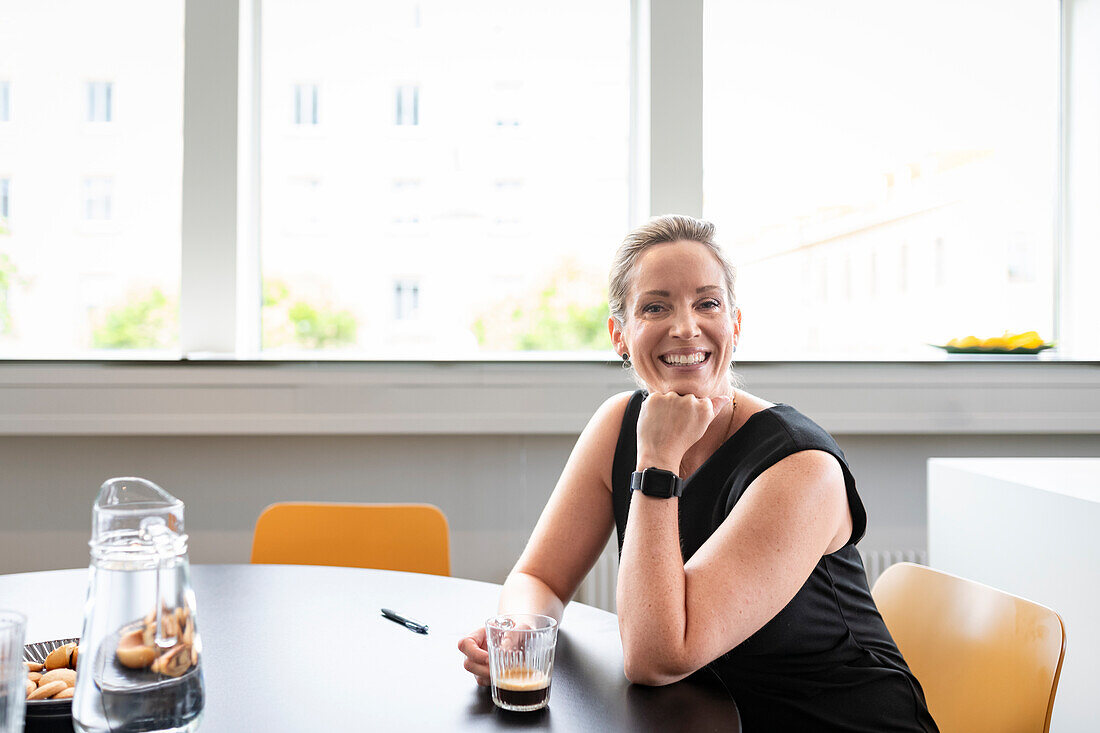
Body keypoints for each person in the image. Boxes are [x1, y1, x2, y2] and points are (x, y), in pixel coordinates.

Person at [458, 214, 938, 732]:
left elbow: (657, 658)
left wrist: (658, 461)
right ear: (620, 334)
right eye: (656, 306)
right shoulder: (618, 425)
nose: (685, 327)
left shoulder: (802, 468)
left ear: (734, 323)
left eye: (707, 303)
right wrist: (522, 635)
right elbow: (538, 577)